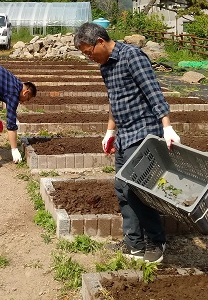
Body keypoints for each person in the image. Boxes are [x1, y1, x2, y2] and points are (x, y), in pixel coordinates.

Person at [73, 22, 181, 264]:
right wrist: (110, 132)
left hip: (144, 133)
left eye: (89, 52)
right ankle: (134, 244)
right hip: (125, 135)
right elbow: (115, 99)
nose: (89, 58)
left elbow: (154, 92)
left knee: (139, 189)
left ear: (100, 41)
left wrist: (167, 126)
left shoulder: (133, 57)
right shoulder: (105, 67)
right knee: (123, 189)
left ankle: (156, 241)